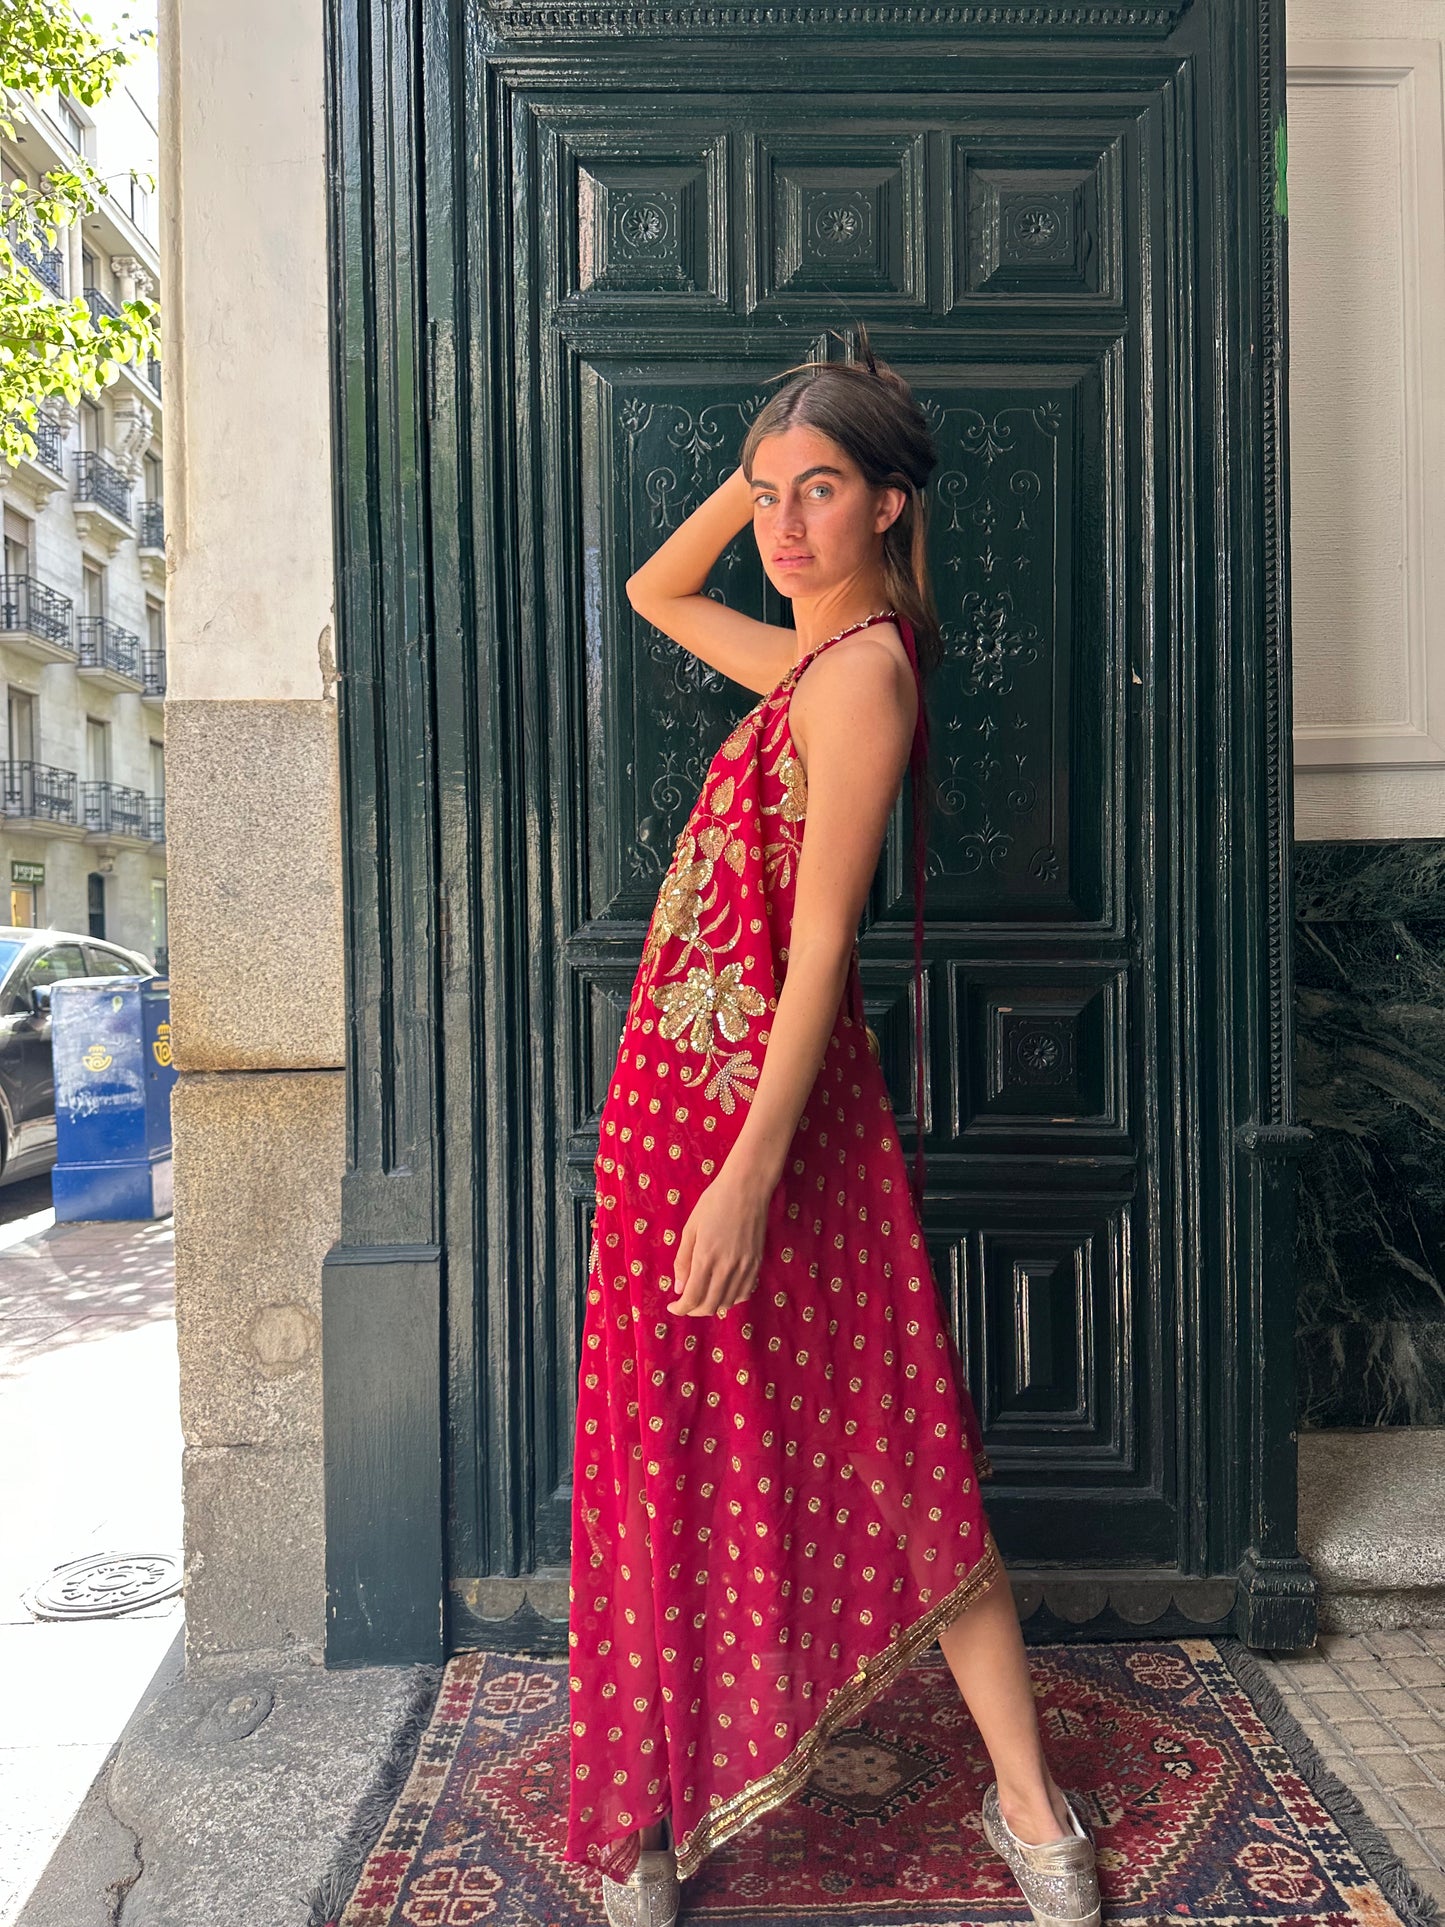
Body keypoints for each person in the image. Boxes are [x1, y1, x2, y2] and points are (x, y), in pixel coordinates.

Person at [564, 324, 1101, 1927]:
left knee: (892, 1438)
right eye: (764, 496)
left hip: (760, 1130)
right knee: (666, 1444)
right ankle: (655, 1814)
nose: (784, 525)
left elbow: (822, 956)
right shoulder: (797, 660)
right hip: (670, 1115)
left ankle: (1030, 1809)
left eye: (821, 495)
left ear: (890, 509)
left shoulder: (859, 675)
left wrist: (744, 1174)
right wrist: (763, 464)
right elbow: (661, 593)